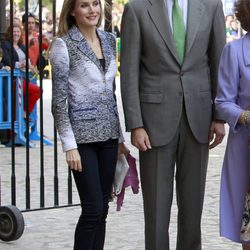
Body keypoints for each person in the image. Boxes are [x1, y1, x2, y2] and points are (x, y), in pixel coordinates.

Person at [120, 0, 226, 249]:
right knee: (156, 208)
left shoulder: (211, 6)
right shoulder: (137, 9)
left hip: (198, 118)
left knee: (193, 205)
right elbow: (129, 70)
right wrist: (135, 124)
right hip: (153, 124)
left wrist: (218, 116)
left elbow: (219, 62)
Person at [50, 0, 128, 249]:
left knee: (102, 210)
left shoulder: (107, 40)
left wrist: (120, 140)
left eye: (95, 3)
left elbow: (111, 94)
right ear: (72, 10)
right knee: (92, 209)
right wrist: (68, 145)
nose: (92, 10)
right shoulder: (63, 44)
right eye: (84, 5)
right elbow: (59, 102)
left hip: (108, 137)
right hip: (82, 140)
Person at [215, 0, 250, 249]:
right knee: (248, 225)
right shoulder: (235, 51)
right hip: (246, 147)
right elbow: (223, 102)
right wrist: (246, 116)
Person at [1, 22, 41, 116]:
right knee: (36, 91)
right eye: (13, 31)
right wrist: (20, 64)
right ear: (9, 33)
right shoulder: (5, 44)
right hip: (12, 80)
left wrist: (29, 65)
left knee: (37, 91)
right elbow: (7, 60)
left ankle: (25, 112)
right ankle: (23, 114)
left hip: (23, 78)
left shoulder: (22, 46)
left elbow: (27, 60)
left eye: (18, 31)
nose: (16, 33)